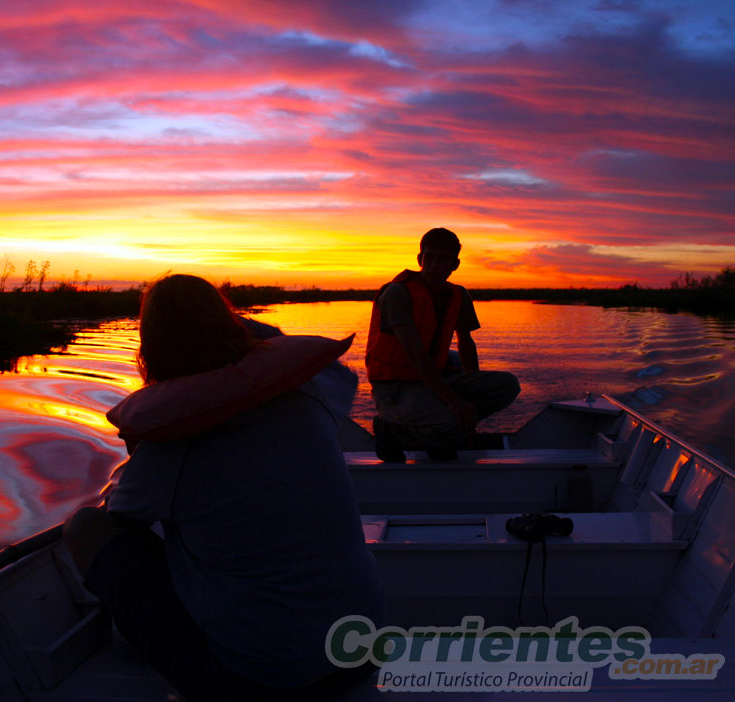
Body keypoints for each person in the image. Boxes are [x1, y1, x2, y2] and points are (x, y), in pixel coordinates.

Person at [64, 274, 384, 701]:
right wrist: (239, 332)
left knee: (85, 527)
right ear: (233, 323)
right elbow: (338, 372)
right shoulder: (312, 391)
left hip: (261, 680)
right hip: (361, 651)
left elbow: (117, 514)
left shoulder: (169, 450)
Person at [365, 227, 520, 462]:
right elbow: (416, 355)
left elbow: (466, 343)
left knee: (507, 385)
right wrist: (455, 403)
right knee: (453, 428)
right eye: (430, 257)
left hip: (432, 379)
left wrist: (470, 391)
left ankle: (437, 432)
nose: (436, 264)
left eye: (443, 259)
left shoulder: (458, 295)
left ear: (455, 264)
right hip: (395, 387)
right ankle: (391, 430)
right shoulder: (398, 293)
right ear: (420, 259)